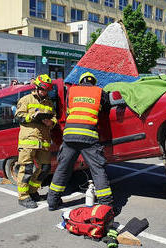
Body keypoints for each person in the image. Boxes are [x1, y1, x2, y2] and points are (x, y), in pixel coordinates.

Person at [47, 72, 114, 211]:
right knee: (97, 170)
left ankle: (53, 202)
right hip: (88, 136)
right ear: (93, 82)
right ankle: (106, 205)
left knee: (62, 169)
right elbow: (107, 106)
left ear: (81, 81)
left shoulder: (72, 91)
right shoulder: (99, 91)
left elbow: (69, 111)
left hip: (70, 135)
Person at [14, 74, 57, 209]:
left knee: (45, 168)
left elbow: (54, 118)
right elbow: (19, 117)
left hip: (43, 141)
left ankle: (33, 191)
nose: (45, 93)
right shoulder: (26, 99)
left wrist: (51, 122)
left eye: (47, 91)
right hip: (28, 141)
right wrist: (32, 116)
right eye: (43, 90)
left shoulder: (49, 102)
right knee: (26, 169)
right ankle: (23, 196)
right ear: (37, 87)